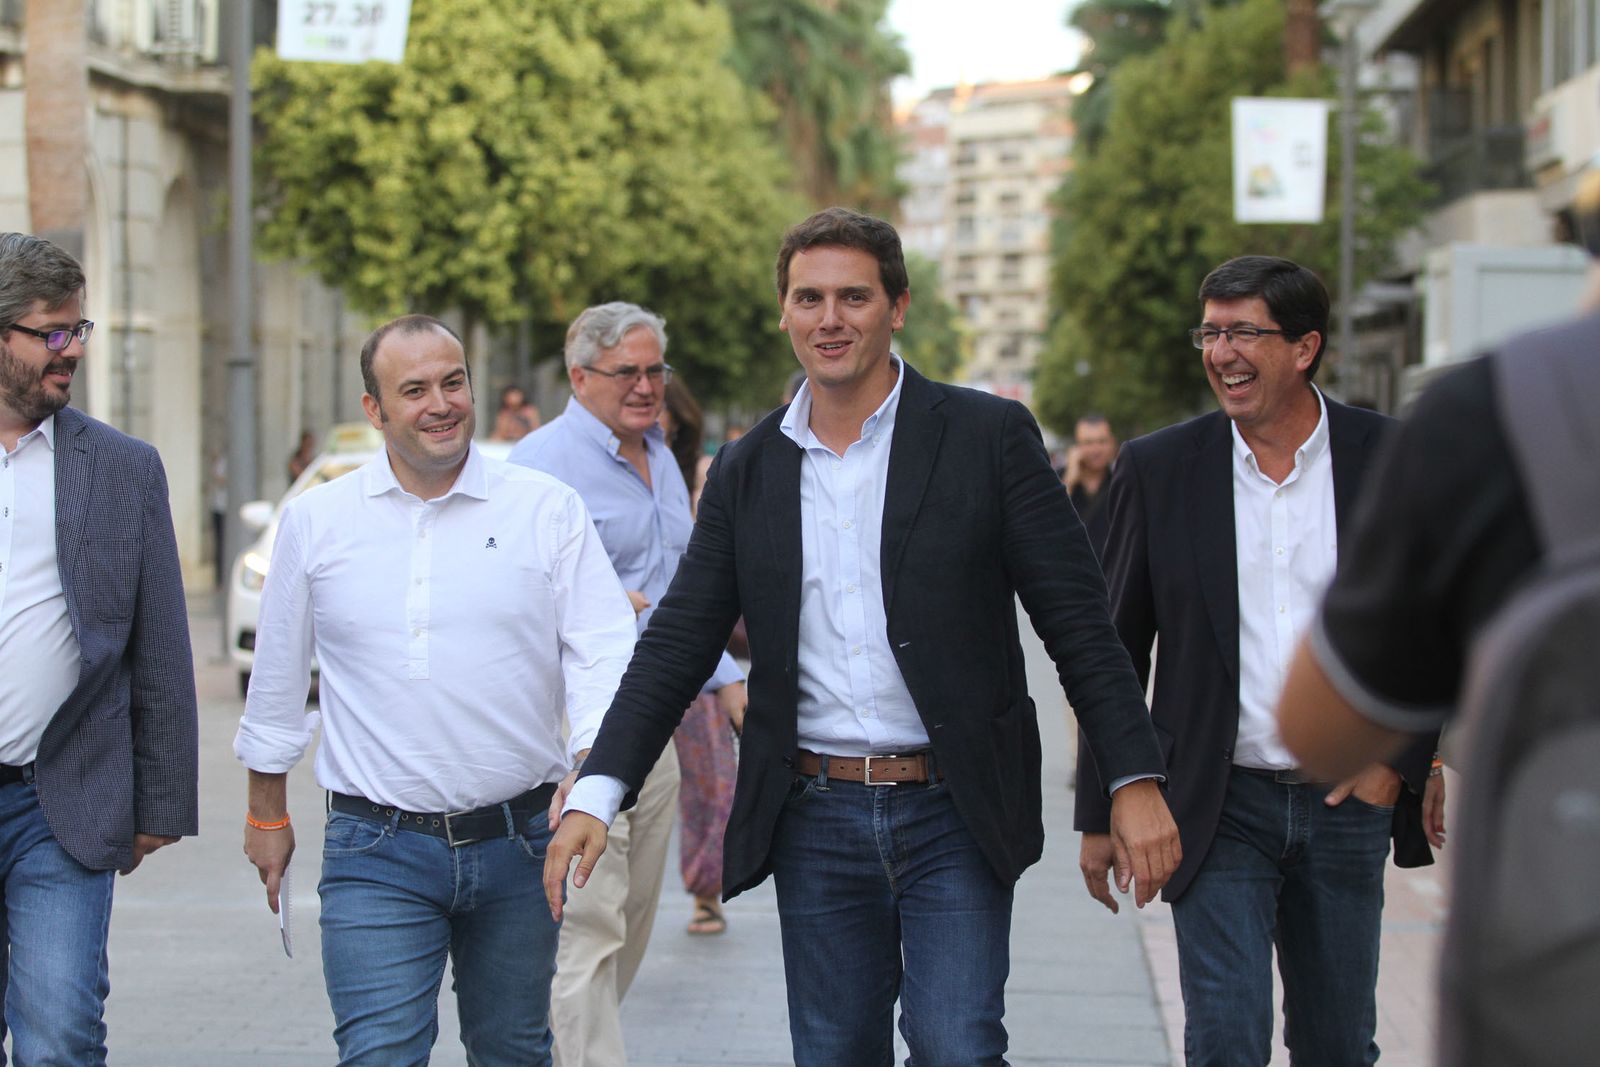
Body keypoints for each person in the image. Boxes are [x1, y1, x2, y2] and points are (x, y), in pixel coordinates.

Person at [545, 207, 1180, 1066]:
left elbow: (1080, 624)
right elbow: (679, 641)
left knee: (959, 1045)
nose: (830, 318)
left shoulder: (987, 438)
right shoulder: (748, 466)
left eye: (854, 296)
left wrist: (1130, 779)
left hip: (954, 804)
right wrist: (598, 787)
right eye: (809, 297)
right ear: (784, 311)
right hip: (816, 811)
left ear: (898, 306)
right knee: (836, 1051)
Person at [236, 314, 638, 1066]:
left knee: (514, 1050)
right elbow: (279, 677)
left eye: (452, 382)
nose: (440, 403)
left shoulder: (544, 509)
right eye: (413, 389)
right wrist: (266, 811)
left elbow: (604, 651)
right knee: (379, 1053)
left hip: (522, 844)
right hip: (374, 848)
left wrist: (591, 775)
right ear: (374, 409)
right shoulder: (319, 521)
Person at [1074, 255, 1435, 1066]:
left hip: (1348, 804)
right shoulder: (1162, 468)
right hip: (1215, 800)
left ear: (1304, 347)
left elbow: (1436, 617)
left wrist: (1401, 759)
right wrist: (1104, 809)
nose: (1220, 351)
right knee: (1226, 1040)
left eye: (1243, 332)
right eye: (1210, 331)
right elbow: (1113, 648)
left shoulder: (1388, 456)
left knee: (1339, 1044)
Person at [511, 303, 747, 1064]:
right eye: (628, 373)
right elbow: (511, 597)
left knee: (630, 924)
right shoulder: (540, 467)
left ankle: (565, 1050)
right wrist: (606, 604)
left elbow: (682, 596)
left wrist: (725, 676)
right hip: (579, 732)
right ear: (580, 378)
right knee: (588, 924)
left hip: (657, 729)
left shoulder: (661, 462)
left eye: (656, 371)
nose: (647, 387)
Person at [0, 231, 198, 1060]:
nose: (71, 350)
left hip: (64, 799)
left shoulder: (122, 467)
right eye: (51, 333)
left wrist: (160, 803)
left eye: (78, 330)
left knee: (61, 1034)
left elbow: (159, 647)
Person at [659, 373, 741, 935]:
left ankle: (705, 888)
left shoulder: (702, 478)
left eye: (663, 412)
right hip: (620, 663)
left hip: (700, 662)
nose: (651, 419)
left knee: (713, 781)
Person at [1061, 413, 1117, 559]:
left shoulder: (1121, 481)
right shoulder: (1058, 479)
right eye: (1088, 442)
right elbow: (1047, 524)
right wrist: (1069, 481)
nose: (1096, 449)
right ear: (1077, 447)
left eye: (1102, 441)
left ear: (1112, 443)